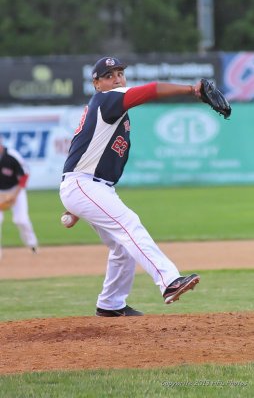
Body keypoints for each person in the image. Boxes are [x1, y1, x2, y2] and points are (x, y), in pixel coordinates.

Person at [60, 56, 201, 317]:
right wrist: (192, 90)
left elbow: (85, 155)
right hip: (84, 184)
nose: (116, 79)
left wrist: (78, 207)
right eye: (109, 75)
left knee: (121, 247)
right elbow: (152, 90)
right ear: (97, 83)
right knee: (129, 223)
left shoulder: (110, 109)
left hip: (90, 187)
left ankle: (110, 305)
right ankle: (169, 281)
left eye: (120, 73)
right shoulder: (108, 99)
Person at [0, 141, 38, 256]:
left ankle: (32, 245)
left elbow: (25, 175)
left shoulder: (12, 155)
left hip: (16, 189)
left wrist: (14, 196)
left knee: (21, 220)